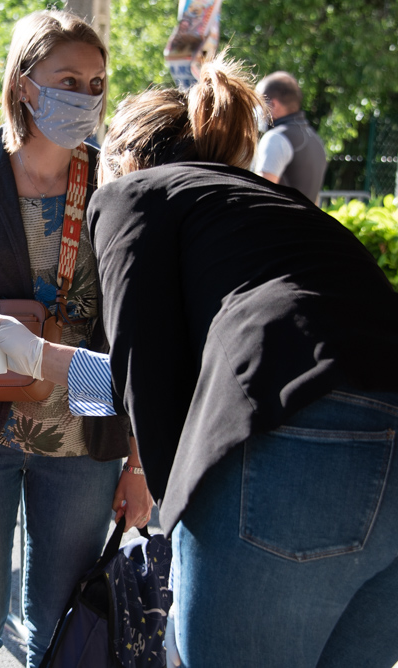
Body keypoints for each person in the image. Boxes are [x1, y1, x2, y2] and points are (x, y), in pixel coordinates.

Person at [81, 56, 398, 667]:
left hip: (300, 443)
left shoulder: (133, 194)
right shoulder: (269, 207)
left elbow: (140, 370)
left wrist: (172, 523)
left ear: (120, 158)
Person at [0, 10, 152, 667]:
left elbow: (135, 334)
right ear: (23, 83)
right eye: (67, 79)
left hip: (85, 428)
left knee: (61, 627)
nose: (86, 96)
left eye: (98, 83)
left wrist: (137, 464)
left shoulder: (116, 183)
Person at [253, 71, 327, 202]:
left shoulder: (276, 138)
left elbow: (260, 195)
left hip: (279, 222)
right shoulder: (315, 139)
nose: (257, 110)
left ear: (273, 105)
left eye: (259, 104)